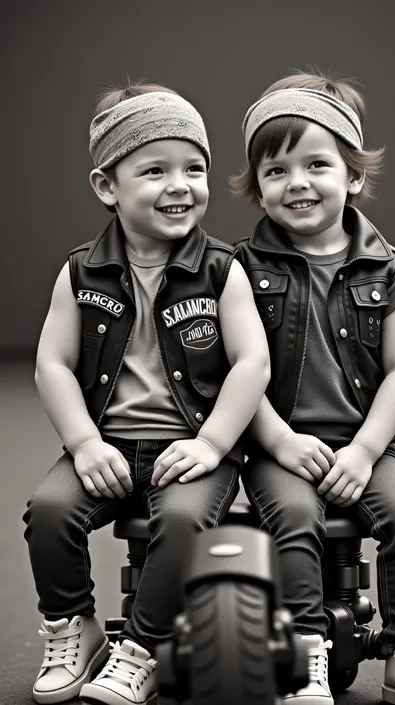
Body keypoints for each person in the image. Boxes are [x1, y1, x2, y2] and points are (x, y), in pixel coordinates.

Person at [23, 82, 270, 705]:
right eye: (154, 170)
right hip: (107, 444)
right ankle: (73, 626)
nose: (179, 185)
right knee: (49, 512)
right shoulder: (81, 271)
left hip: (190, 448)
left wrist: (213, 443)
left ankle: (142, 647)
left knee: (183, 522)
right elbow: (52, 363)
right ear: (108, 187)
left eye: (194, 169)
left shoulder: (221, 268)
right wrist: (81, 443)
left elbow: (251, 363)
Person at [231, 70, 395, 705]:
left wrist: (364, 452)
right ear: (259, 189)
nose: (297, 182)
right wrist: (277, 441)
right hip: (277, 444)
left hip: (364, 442)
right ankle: (307, 652)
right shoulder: (236, 270)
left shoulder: (388, 272)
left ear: (353, 176)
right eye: (276, 172)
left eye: (316, 164)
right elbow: (232, 371)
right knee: (297, 517)